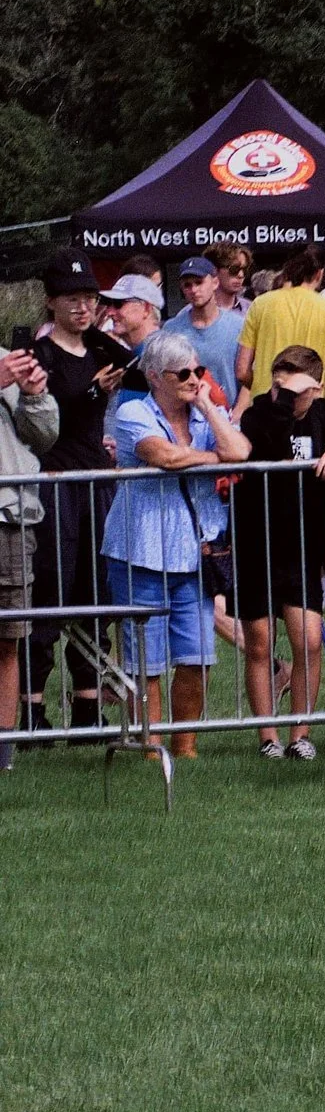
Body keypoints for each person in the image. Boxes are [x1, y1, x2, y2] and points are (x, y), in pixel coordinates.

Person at [101, 331, 250, 758]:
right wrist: (214, 459)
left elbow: (240, 451)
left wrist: (208, 406)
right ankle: (150, 748)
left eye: (197, 370)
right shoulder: (133, 411)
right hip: (140, 552)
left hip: (196, 554)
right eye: (182, 374)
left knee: (196, 656)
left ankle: (185, 748)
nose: (193, 379)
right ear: (154, 376)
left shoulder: (206, 414)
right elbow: (163, 456)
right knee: (145, 662)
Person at [23, 253, 134, 737]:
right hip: (55, 482)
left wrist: (109, 339)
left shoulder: (98, 348)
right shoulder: (40, 354)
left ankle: (89, 705)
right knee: (50, 591)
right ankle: (31, 708)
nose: (83, 307)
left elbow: (140, 368)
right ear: (51, 302)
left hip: (96, 480)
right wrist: (91, 394)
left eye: (89, 298)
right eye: (72, 298)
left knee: (95, 590)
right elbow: (42, 421)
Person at [233, 345, 325, 758]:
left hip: (301, 547)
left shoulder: (324, 415)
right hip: (256, 543)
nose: (284, 394)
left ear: (316, 388)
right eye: (278, 385)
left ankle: (300, 734)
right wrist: (285, 399)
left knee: (308, 641)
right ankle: (267, 737)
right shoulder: (259, 413)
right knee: (259, 643)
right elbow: (268, 437)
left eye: (295, 388)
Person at [0, 347, 59, 770]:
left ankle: (2, 753)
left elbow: (43, 438)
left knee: (8, 639)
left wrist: (35, 396)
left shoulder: (7, 358)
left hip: (11, 518)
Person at [236, 245, 325, 412]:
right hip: (310, 406)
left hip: (266, 406)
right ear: (319, 274)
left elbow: (242, 371)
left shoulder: (260, 305)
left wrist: (262, 386)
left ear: (287, 271)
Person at [163, 257, 248, 406]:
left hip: (227, 412)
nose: (194, 290)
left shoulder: (239, 326)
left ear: (215, 283)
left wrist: (238, 412)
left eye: (199, 282)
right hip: (186, 412)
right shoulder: (171, 329)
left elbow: (249, 377)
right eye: (187, 285)